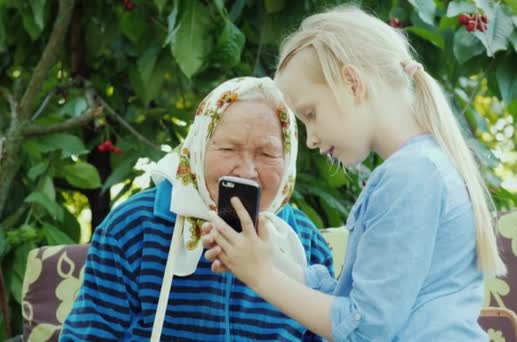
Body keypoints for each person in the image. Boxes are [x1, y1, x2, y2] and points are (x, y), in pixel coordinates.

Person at [202, 5, 506, 341]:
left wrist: (259, 274)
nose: (311, 139)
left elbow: (364, 329)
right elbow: (349, 304)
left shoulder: (410, 177)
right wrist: (269, 257)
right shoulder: (419, 168)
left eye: (310, 113)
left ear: (351, 83)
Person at [60, 77, 334, 341]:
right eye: (228, 148)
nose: (247, 172)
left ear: (288, 159)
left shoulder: (305, 244)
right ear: (198, 148)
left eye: (267, 154)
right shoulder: (133, 228)